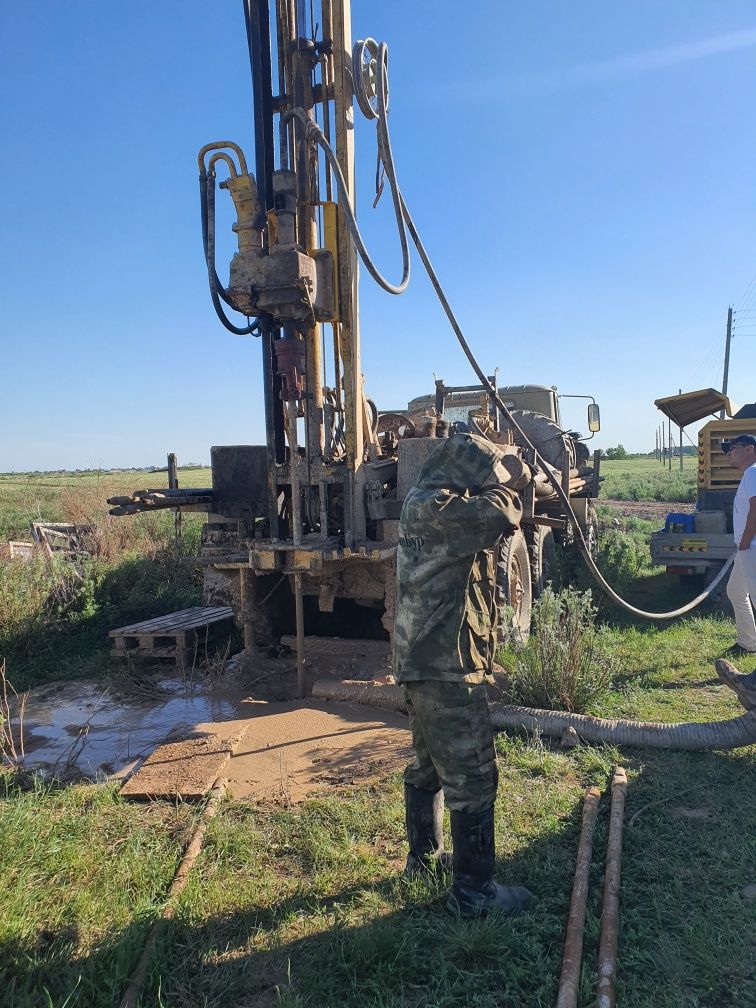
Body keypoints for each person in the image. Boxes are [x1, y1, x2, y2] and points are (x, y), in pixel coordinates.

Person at [393, 432, 534, 917]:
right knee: (473, 774)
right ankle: (474, 896)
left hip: (423, 661)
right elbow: (498, 515)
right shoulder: (438, 509)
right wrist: (512, 481)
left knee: (429, 764)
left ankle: (424, 858)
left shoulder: (423, 502)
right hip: (444, 667)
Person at [716, 433, 756, 704]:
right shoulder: (750, 473)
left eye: (734, 449)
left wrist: (744, 541)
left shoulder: (753, 472)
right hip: (746, 549)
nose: (729, 454)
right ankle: (748, 642)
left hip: (751, 548)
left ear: (750, 450)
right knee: (734, 591)